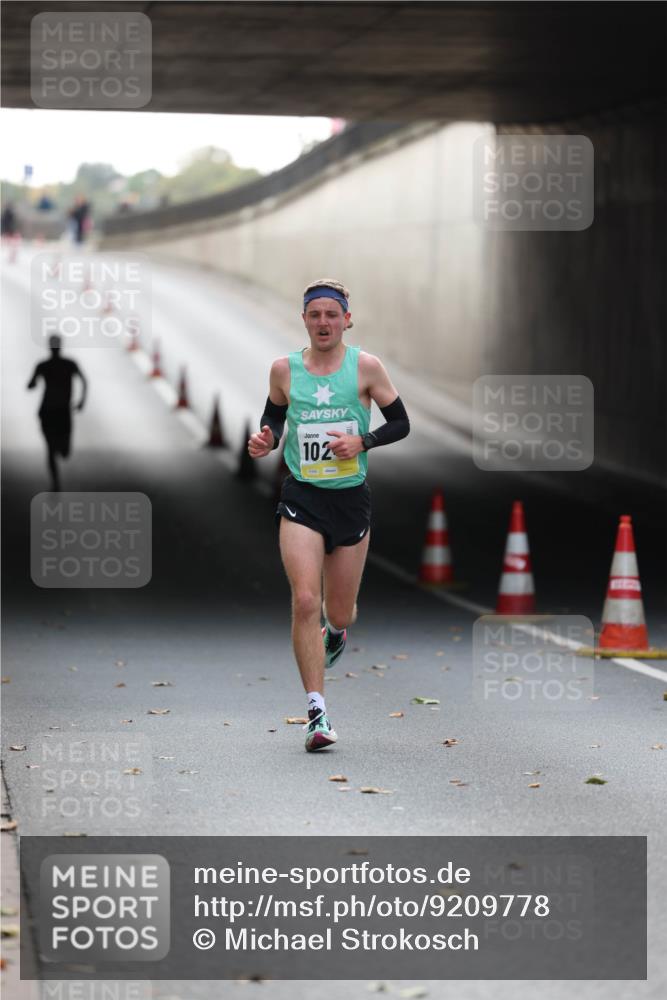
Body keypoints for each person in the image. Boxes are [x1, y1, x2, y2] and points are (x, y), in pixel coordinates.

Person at [248, 279, 410, 751]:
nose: (323, 322)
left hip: (351, 498)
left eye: (331, 315)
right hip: (303, 497)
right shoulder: (285, 370)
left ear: (346, 319)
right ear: (304, 319)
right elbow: (274, 420)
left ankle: (335, 631)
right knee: (304, 600)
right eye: (314, 314)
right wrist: (265, 440)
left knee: (339, 611)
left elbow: (401, 422)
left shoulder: (366, 367)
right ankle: (317, 713)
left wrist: (364, 441)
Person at [27, 335, 87, 491]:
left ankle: (56, 472)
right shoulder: (67, 364)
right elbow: (84, 381)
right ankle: (55, 483)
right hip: (56, 411)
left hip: (53, 411)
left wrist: (33, 383)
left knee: (59, 450)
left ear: (49, 347)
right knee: (53, 449)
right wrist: (82, 401)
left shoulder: (45, 365)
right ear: (60, 346)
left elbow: (30, 384)